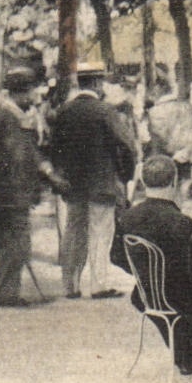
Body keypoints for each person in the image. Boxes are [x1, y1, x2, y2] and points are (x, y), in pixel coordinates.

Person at [47, 63, 136, 299]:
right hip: (102, 183)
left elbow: (54, 148)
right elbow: (127, 145)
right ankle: (99, 285)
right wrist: (125, 175)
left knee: (73, 232)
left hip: (73, 184)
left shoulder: (64, 111)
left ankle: (71, 285)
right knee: (100, 233)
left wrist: (61, 175)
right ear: (97, 83)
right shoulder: (105, 111)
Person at [112, 155, 192, 372]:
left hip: (146, 294)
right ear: (174, 182)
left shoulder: (128, 217)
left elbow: (116, 256)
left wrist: (143, 270)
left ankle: (185, 356)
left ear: (143, 183)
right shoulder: (181, 222)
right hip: (182, 299)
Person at [0, 68, 58, 308]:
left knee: (16, 244)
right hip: (11, 195)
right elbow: (18, 158)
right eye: (32, 91)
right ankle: (6, 293)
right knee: (16, 244)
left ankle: (7, 291)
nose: (35, 97)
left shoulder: (9, 117)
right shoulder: (9, 119)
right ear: (20, 92)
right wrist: (44, 174)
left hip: (10, 193)